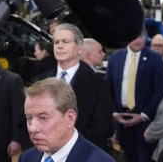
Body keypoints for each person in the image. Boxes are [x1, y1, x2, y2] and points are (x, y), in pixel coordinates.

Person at [106, 32, 163, 162]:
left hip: (145, 124)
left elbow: (159, 90)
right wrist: (114, 113)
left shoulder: (154, 59)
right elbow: (108, 88)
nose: (139, 40)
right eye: (134, 36)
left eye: (141, 36)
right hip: (122, 122)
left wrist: (144, 115)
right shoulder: (115, 58)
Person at [36, 23, 113, 151]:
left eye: (65, 42)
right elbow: (27, 120)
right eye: (56, 42)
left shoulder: (99, 85)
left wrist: (64, 149)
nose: (60, 46)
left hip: (83, 156)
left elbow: (100, 129)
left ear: (79, 49)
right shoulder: (39, 81)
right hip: (45, 154)